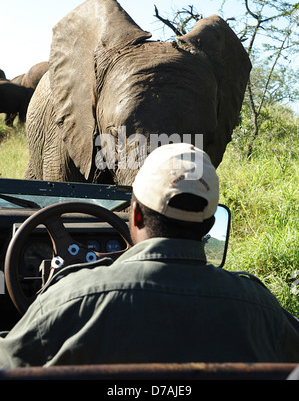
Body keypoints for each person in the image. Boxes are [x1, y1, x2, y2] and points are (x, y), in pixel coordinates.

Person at [0, 143, 298, 367]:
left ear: (136, 214)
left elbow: (10, 362)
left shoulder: (70, 298)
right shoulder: (262, 310)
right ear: (208, 225)